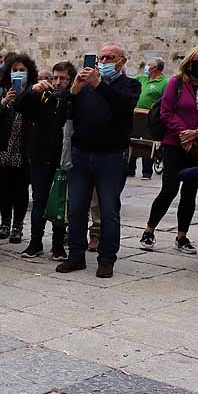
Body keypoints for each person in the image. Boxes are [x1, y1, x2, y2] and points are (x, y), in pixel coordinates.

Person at [60, 42, 141, 278]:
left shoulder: (130, 85)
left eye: (110, 57)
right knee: (76, 208)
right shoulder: (84, 86)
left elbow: (122, 107)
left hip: (111, 156)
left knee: (109, 210)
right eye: (102, 57)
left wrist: (98, 84)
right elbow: (63, 110)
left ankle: (106, 259)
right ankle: (75, 255)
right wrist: (73, 90)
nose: (104, 62)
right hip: (81, 153)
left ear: (122, 61)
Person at [139, 46, 198, 255]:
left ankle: (182, 236)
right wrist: (183, 133)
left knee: (190, 191)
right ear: (189, 63)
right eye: (197, 61)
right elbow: (166, 112)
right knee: (169, 189)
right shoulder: (175, 84)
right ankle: (149, 230)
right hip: (174, 143)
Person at [18, 60, 74, 260]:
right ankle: (35, 242)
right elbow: (20, 106)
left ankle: (58, 245)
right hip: (40, 157)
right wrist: (32, 90)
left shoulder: (72, 98)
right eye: (55, 77)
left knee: (60, 202)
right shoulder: (43, 97)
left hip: (62, 159)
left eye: (63, 79)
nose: (58, 82)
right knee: (39, 201)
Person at [0, 53, 38, 244]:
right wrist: (3, 103)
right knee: (5, 188)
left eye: (22, 70)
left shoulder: (34, 91)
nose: (18, 74)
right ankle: (5, 223)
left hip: (23, 147)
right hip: (4, 146)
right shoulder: (1, 92)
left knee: (21, 188)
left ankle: (18, 225)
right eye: (15, 70)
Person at [131, 57, 168, 178]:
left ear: (155, 68)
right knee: (132, 140)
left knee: (148, 143)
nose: (146, 66)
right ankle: (130, 169)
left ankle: (146, 171)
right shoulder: (141, 79)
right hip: (136, 115)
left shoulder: (164, 83)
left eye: (148, 64)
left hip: (150, 117)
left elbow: (166, 100)